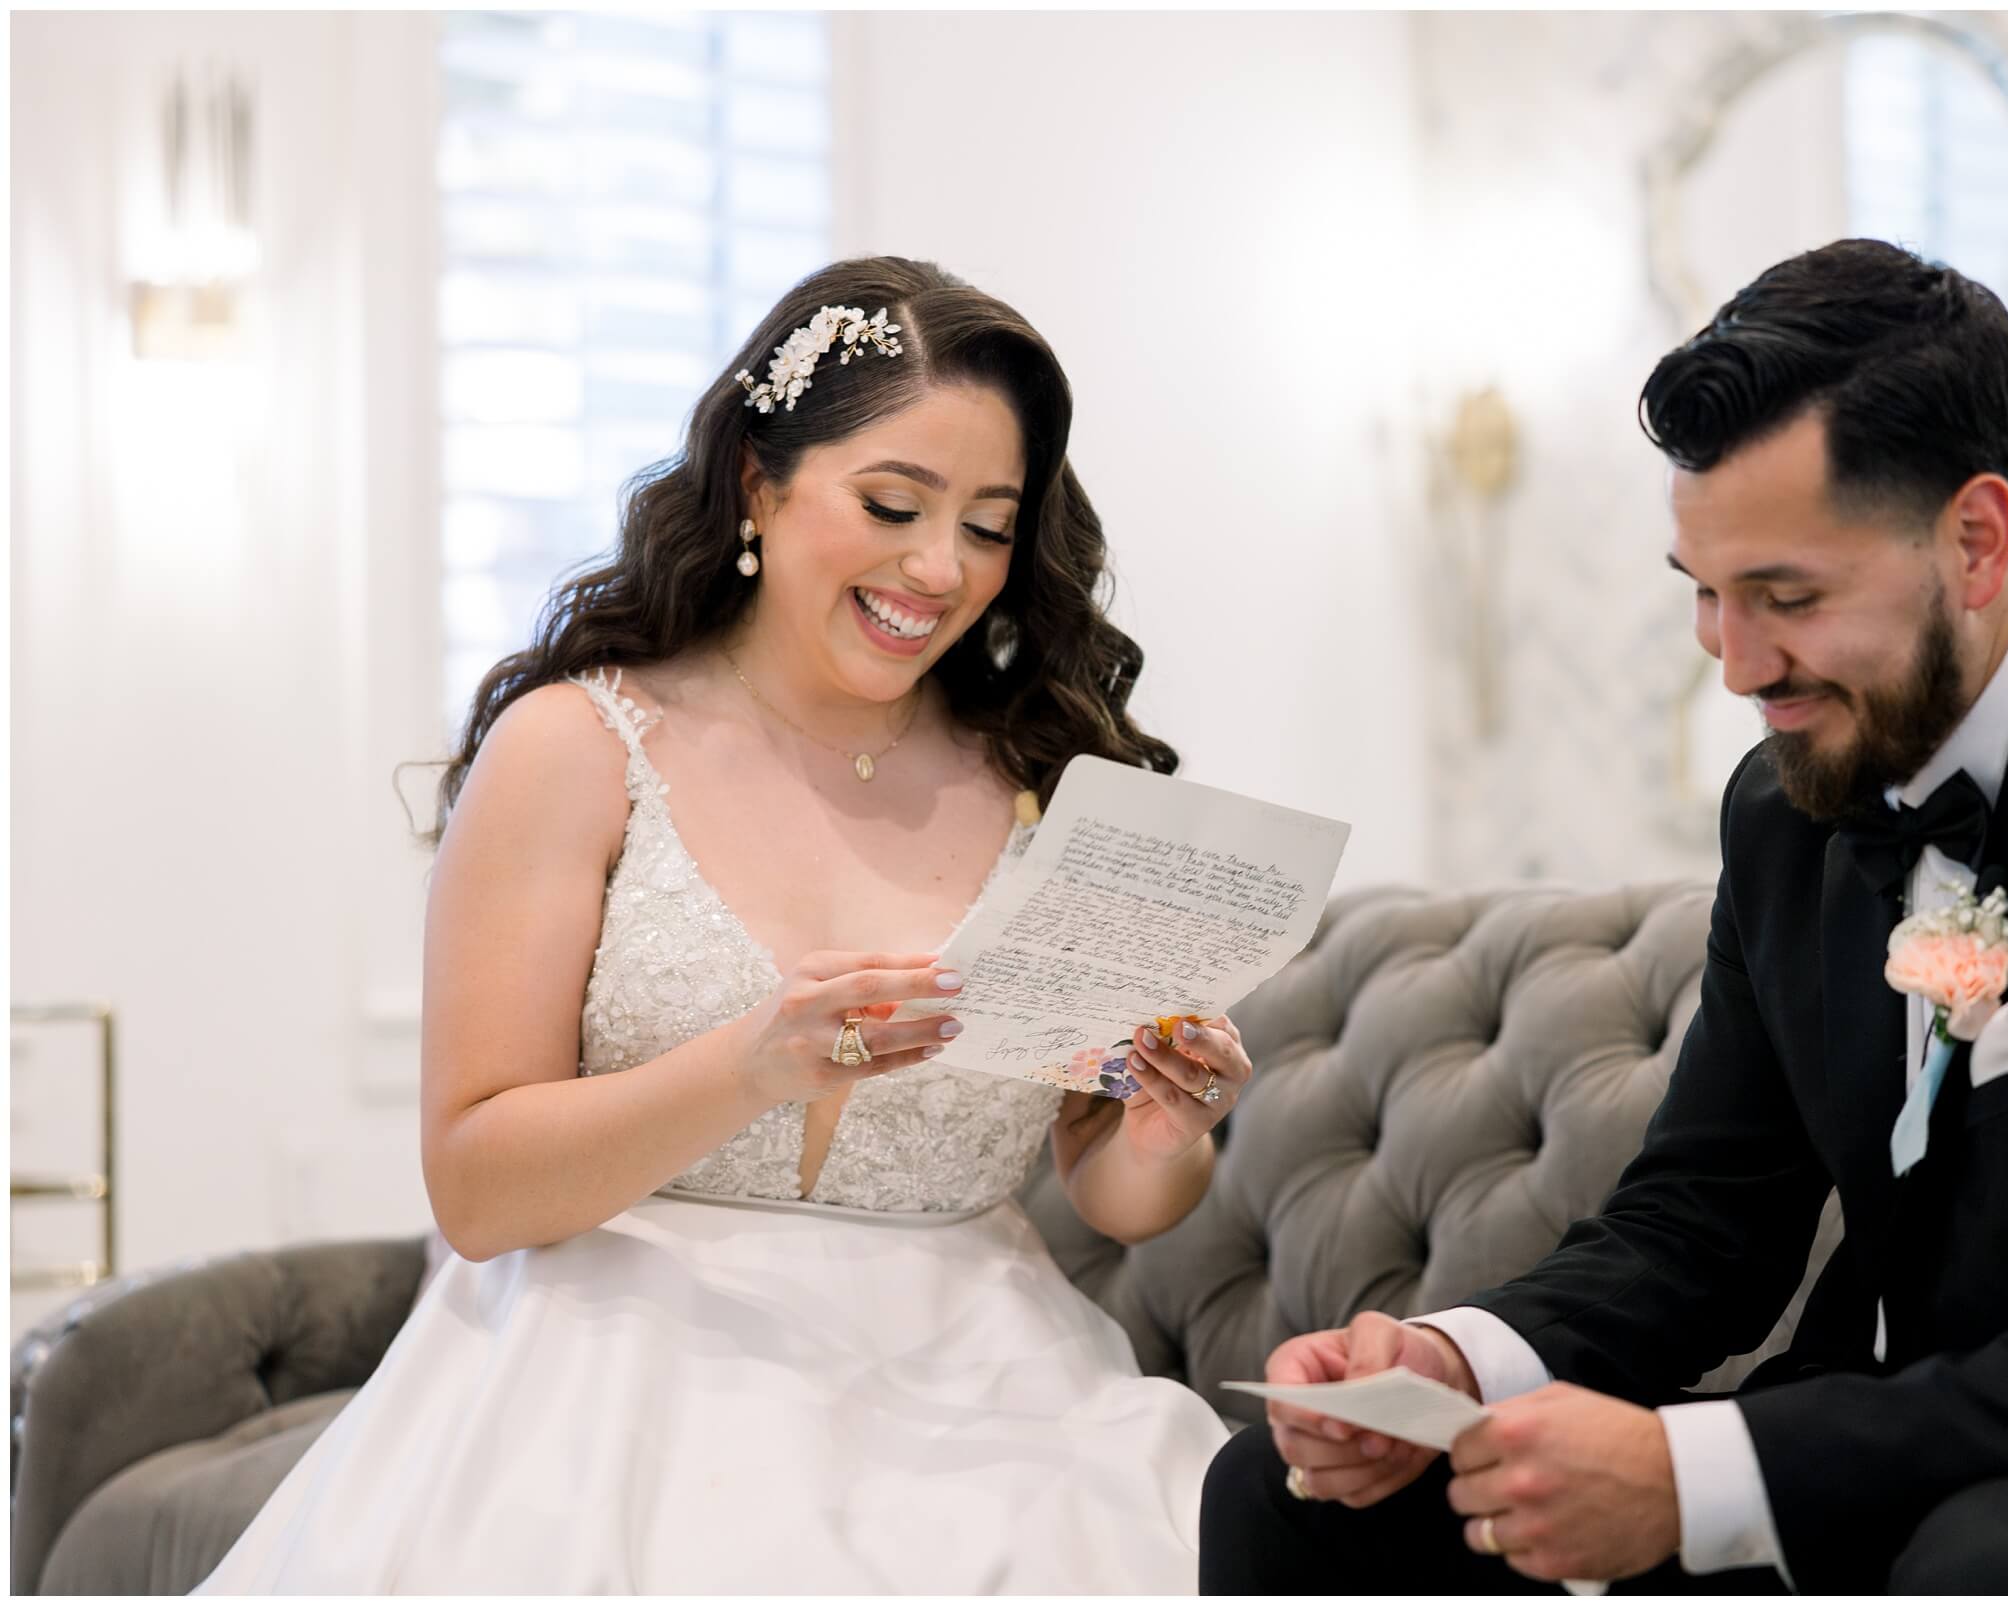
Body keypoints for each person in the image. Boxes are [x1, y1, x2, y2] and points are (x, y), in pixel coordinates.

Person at [1199, 239, 2008, 1595]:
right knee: (1286, 1494)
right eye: (1703, 593)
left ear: (1977, 539)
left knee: (1988, 1563)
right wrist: (1450, 1359)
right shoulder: (1783, 812)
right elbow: (1705, 1218)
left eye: (1787, 597)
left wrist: (1701, 1473)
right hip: (1858, 1451)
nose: (1738, 663)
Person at [199, 257, 1248, 1592]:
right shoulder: (577, 748)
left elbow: (1114, 1185)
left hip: (992, 1394)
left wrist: (1165, 1132)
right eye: (892, 504)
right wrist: (749, 1063)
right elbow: (474, 1182)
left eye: (990, 525)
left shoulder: (1046, 783)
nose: (941, 568)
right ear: (759, 480)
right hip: (607, 1373)